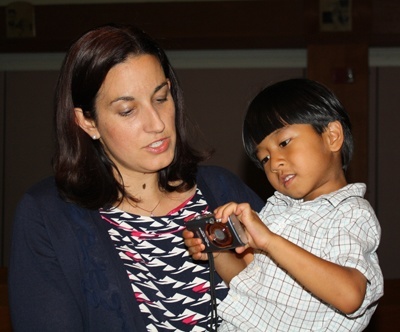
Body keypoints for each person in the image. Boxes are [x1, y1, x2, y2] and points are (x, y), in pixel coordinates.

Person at [8, 23, 264, 332]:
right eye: (128, 110)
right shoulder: (47, 215)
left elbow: (304, 299)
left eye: (161, 98)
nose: (156, 123)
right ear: (88, 122)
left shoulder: (223, 190)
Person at [184, 78, 383, 331]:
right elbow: (250, 286)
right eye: (264, 158)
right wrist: (216, 250)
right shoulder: (278, 210)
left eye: (284, 143)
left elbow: (350, 296)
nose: (274, 162)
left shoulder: (350, 212)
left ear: (332, 136)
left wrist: (269, 240)